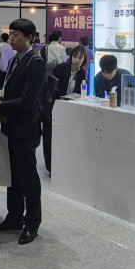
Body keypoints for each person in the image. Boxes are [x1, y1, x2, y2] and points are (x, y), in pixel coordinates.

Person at [0, 19, 46, 245]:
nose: (11, 38)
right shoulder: (15, 59)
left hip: (26, 129)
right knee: (12, 175)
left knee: (28, 178)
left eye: (16, 35)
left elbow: (28, 99)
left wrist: (3, 106)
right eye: (10, 33)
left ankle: (32, 222)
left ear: (29, 38)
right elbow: (11, 90)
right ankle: (14, 216)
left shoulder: (35, 62)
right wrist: (1, 102)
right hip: (11, 125)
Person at [43, 45, 89, 173]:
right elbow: (52, 89)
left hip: (69, 108)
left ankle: (62, 165)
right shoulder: (60, 68)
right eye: (75, 56)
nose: (76, 60)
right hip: (54, 106)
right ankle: (51, 167)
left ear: (84, 59)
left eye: (80, 58)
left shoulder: (82, 73)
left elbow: (82, 91)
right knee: (50, 137)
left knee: (64, 138)